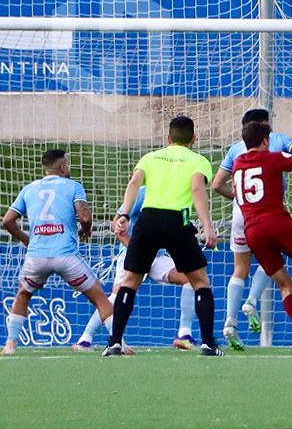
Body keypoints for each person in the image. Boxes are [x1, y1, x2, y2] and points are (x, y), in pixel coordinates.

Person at [103, 116, 223, 357]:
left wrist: (123, 213)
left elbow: (134, 182)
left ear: (168, 138)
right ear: (194, 139)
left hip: (148, 220)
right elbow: (198, 188)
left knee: (129, 282)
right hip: (179, 220)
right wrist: (207, 225)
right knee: (199, 282)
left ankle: (114, 343)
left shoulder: (151, 157)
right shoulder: (199, 160)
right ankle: (209, 344)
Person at [2, 150, 114, 355]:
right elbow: (85, 217)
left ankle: (10, 345)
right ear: (62, 166)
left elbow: (8, 221)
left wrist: (28, 240)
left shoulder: (29, 189)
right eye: (68, 164)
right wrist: (86, 230)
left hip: (36, 256)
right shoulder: (73, 186)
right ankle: (117, 342)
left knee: (23, 294)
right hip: (66, 256)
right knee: (99, 296)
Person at [212, 108, 292, 350]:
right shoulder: (276, 141)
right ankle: (252, 301)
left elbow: (216, 184)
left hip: (241, 214)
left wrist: (238, 197)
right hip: (268, 213)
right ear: (264, 127)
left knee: (239, 269)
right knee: (272, 256)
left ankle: (230, 322)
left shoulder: (235, 148)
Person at [231, 121, 292, 347]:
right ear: (266, 141)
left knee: (285, 285)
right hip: (276, 221)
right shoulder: (271, 157)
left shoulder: (238, 163)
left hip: (253, 231)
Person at [72, 186, 197, 352]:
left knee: (191, 278)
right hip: (133, 251)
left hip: (157, 256)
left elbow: (185, 224)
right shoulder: (143, 192)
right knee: (117, 296)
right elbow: (116, 223)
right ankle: (85, 339)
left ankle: (184, 335)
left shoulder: (182, 195)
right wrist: (131, 244)